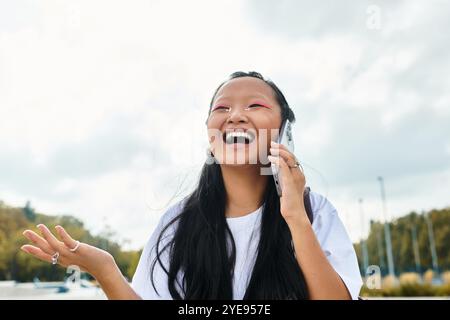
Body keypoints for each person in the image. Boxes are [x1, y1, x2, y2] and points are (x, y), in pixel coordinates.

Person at [21, 71, 363, 300]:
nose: (236, 116)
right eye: (222, 108)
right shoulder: (179, 222)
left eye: (255, 105)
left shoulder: (314, 212)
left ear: (283, 130)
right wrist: (103, 268)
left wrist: (295, 219)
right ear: (210, 132)